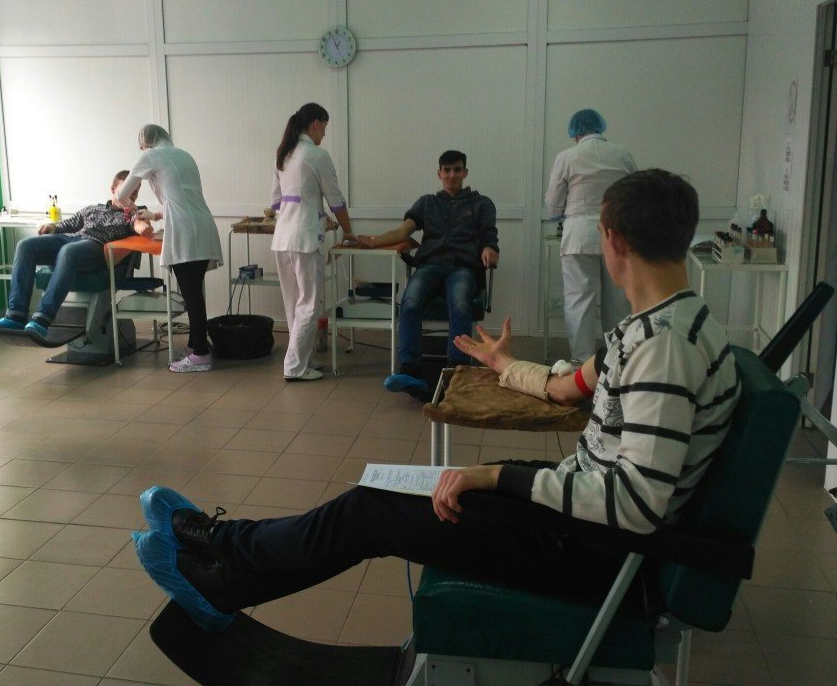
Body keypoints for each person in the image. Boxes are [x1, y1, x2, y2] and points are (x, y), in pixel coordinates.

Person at [131, 169, 741, 634]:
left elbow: (634, 505)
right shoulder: (659, 327)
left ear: (612, 240)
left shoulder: (664, 348)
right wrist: (503, 365)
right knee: (387, 490)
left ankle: (222, 563)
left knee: (372, 511)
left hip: (590, 550)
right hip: (575, 522)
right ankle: (224, 553)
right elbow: (567, 385)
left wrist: (494, 475)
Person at [360, 150, 498, 397]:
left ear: (465, 172)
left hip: (462, 267)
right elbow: (402, 233)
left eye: (457, 170)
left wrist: (490, 248)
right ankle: (410, 369)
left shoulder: (481, 204)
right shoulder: (427, 203)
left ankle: (457, 371)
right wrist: (373, 241)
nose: (452, 175)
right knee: (410, 303)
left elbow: (490, 236)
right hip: (429, 265)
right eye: (447, 170)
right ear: (439, 173)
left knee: (460, 305)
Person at [0, 170, 152, 339]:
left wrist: (142, 227)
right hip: (69, 239)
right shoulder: (92, 209)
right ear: (113, 189)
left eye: (135, 192)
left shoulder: (133, 214)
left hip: (96, 247)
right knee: (25, 246)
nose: (131, 195)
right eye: (127, 190)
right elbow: (70, 224)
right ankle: (15, 316)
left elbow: (138, 223)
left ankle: (42, 319)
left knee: (68, 251)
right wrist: (53, 227)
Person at [115, 124, 224, 373]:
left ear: (145, 143)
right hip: (202, 224)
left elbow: (121, 195)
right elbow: (180, 198)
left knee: (191, 294)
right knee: (194, 292)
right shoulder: (184, 156)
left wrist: (131, 207)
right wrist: (153, 214)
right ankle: (196, 345)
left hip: (185, 230)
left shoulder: (151, 155)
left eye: (141, 147)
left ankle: (200, 355)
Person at [270, 103, 354, 382]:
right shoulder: (317, 155)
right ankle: (294, 367)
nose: (324, 134)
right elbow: (336, 199)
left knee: (294, 303)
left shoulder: (284, 154)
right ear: (316, 124)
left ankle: (304, 359)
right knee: (309, 304)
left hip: (282, 238)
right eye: (324, 127)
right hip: (305, 239)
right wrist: (348, 231)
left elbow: (276, 202)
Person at [546, 109, 637, 362]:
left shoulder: (567, 157)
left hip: (579, 238)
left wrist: (564, 212)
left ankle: (581, 363)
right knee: (618, 303)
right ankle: (617, 361)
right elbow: (637, 196)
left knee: (579, 302)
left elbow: (553, 207)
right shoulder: (622, 155)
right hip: (617, 236)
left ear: (575, 133)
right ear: (600, 127)